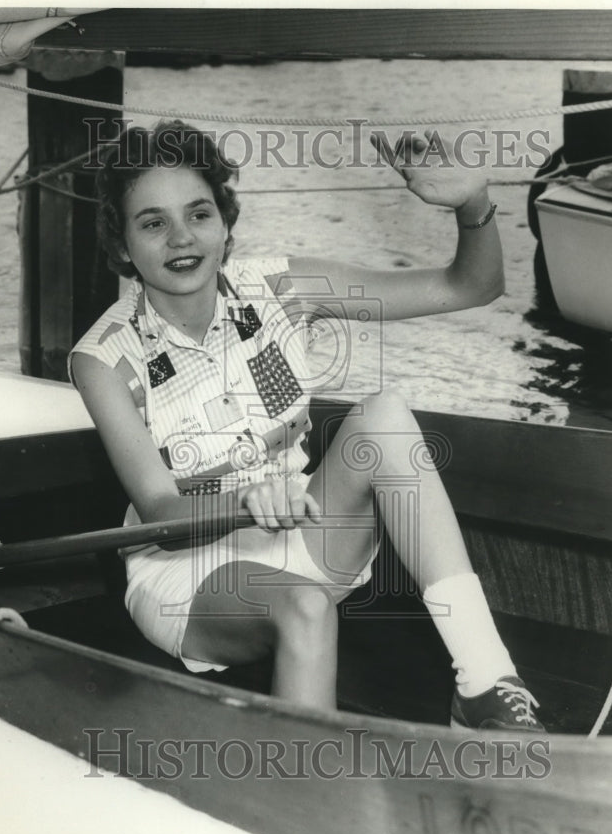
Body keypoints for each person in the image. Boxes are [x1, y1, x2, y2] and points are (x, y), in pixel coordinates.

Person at [70, 120, 543, 731]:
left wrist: (474, 202)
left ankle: (484, 683)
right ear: (122, 242)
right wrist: (246, 497)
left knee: (385, 416)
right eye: (153, 222)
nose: (182, 238)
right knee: (308, 608)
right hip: (189, 573)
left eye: (200, 213)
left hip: (300, 536)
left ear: (226, 222)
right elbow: (160, 511)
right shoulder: (102, 356)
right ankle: (309, 791)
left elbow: (470, 287)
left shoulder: (282, 288)